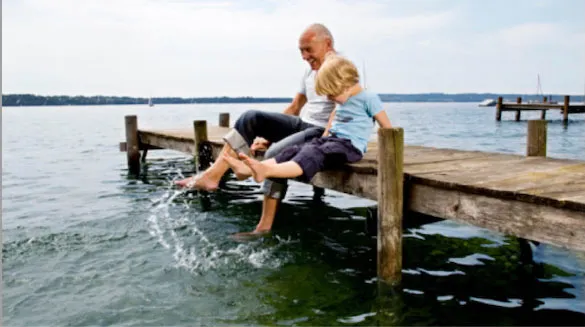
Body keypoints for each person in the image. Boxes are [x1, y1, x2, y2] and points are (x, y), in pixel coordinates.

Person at [175, 23, 337, 232]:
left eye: (308, 50)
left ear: (327, 44)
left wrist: (324, 139)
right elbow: (295, 106)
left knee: (276, 153)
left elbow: (342, 108)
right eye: (301, 50)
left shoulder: (340, 68)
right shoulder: (309, 72)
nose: (304, 56)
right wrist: (269, 134)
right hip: (303, 125)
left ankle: (264, 226)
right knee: (251, 117)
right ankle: (214, 174)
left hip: (321, 131)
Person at [222, 55, 393, 234]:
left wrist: (388, 155)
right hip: (331, 141)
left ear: (346, 84)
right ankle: (247, 170)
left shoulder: (369, 98)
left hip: (349, 147)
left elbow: (387, 129)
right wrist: (324, 137)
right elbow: (333, 120)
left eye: (332, 94)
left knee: (313, 155)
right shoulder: (342, 99)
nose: (330, 98)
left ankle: (266, 170)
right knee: (295, 149)